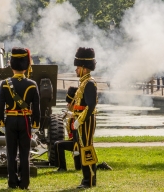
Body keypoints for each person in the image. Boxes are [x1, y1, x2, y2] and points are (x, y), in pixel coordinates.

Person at [0, 47, 40, 190]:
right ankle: (24, 183)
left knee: (11, 153)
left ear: (11, 64)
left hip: (10, 120)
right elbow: (36, 108)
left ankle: (12, 182)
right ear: (27, 64)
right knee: (25, 153)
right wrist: (36, 123)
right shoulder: (32, 84)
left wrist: (0, 122)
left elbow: (0, 106)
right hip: (25, 121)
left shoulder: (5, 83)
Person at [72, 47, 98, 189]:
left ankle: (89, 180)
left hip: (86, 120)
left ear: (84, 68)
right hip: (82, 120)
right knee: (84, 148)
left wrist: (79, 120)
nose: (76, 70)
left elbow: (91, 105)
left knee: (86, 148)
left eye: (78, 67)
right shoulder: (84, 82)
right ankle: (87, 179)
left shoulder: (89, 83)